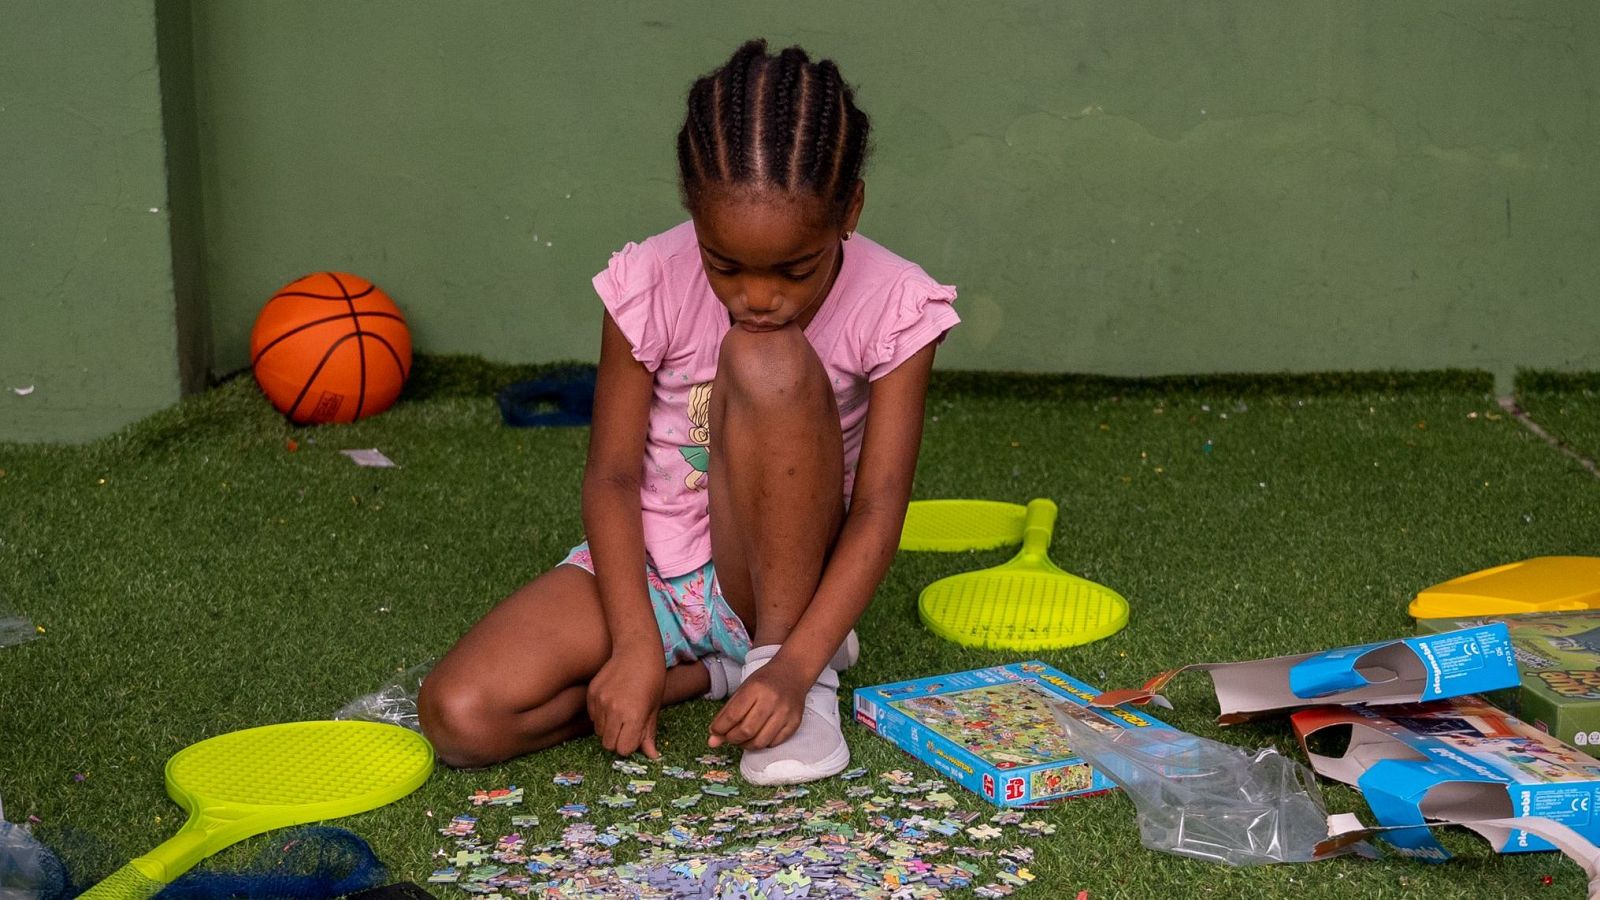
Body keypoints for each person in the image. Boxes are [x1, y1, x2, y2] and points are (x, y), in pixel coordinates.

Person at [418, 38, 959, 785]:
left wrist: (796, 668)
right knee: (461, 717)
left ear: (851, 210)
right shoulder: (648, 280)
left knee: (761, 355)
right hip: (655, 570)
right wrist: (636, 644)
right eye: (723, 264)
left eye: (794, 269)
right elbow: (610, 477)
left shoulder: (896, 304)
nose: (757, 296)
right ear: (693, 215)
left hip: (772, 579)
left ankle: (782, 659)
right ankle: (710, 677)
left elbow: (876, 510)